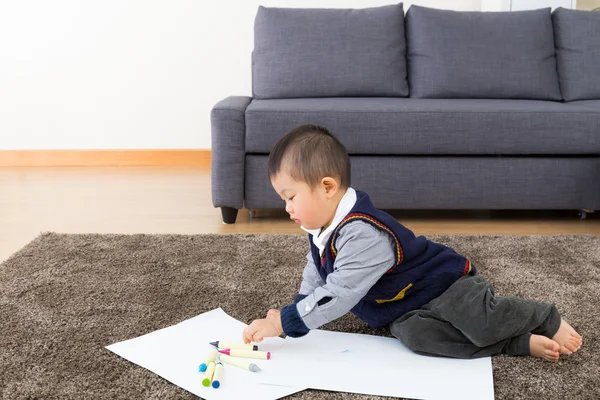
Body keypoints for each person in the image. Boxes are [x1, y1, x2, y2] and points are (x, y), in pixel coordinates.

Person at [242, 124, 582, 361]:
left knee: (480, 320)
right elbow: (316, 274)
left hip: (444, 284)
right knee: (418, 339)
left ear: (328, 187)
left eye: (290, 197)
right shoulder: (321, 230)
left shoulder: (362, 232)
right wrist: (297, 307)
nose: (286, 208)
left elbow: (340, 292)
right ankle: (515, 344)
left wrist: (281, 323)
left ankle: (545, 317)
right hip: (404, 305)